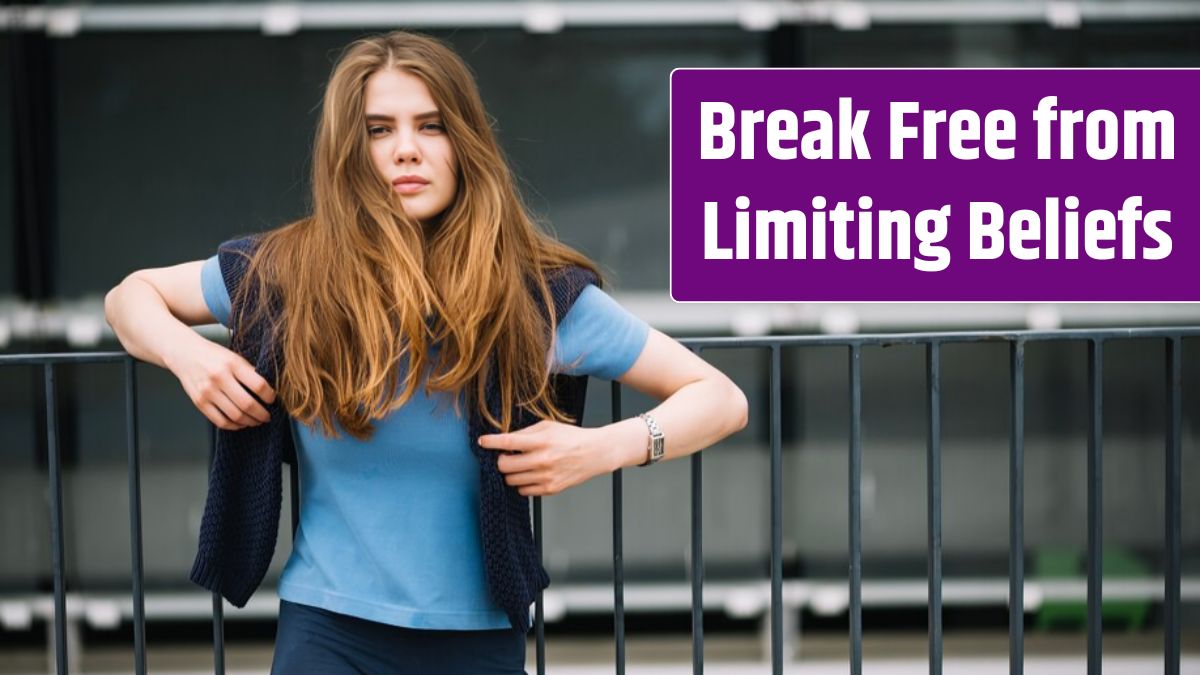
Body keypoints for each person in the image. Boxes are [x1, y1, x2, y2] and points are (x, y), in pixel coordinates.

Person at [104, 30, 747, 675]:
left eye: (430, 126)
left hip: (478, 641)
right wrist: (191, 358)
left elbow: (721, 399)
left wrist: (603, 448)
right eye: (379, 130)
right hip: (326, 633)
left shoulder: (535, 297)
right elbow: (130, 298)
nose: (405, 150)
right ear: (350, 152)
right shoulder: (288, 272)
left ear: (464, 141)